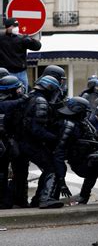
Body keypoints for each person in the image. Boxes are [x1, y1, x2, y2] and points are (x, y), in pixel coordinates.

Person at [20, 75, 63, 209]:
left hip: (23, 141)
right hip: (31, 143)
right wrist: (55, 138)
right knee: (52, 167)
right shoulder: (41, 101)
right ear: (49, 88)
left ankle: (37, 199)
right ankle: (45, 198)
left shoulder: (31, 97)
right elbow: (37, 130)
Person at [0, 75, 29, 208]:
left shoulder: (17, 101)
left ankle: (18, 199)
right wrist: (23, 100)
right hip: (5, 143)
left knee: (20, 173)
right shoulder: (9, 103)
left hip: (15, 142)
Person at [0, 18, 42, 89]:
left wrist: (30, 40)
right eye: (13, 26)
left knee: (23, 93)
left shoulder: (22, 38)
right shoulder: (1, 38)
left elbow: (38, 47)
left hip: (21, 72)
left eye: (17, 26)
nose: (16, 28)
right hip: (6, 73)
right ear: (7, 27)